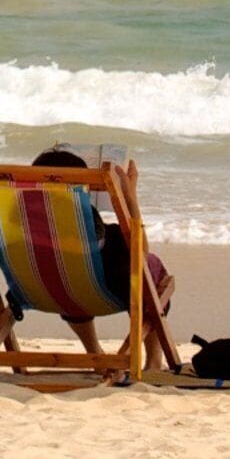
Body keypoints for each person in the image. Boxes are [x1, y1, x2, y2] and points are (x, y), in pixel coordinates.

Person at [30, 145, 173, 350]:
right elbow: (140, 253)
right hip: (101, 288)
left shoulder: (22, 228)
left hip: (50, 291)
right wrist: (129, 199)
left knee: (69, 276)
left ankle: (93, 350)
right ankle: (153, 358)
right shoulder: (96, 231)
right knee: (149, 267)